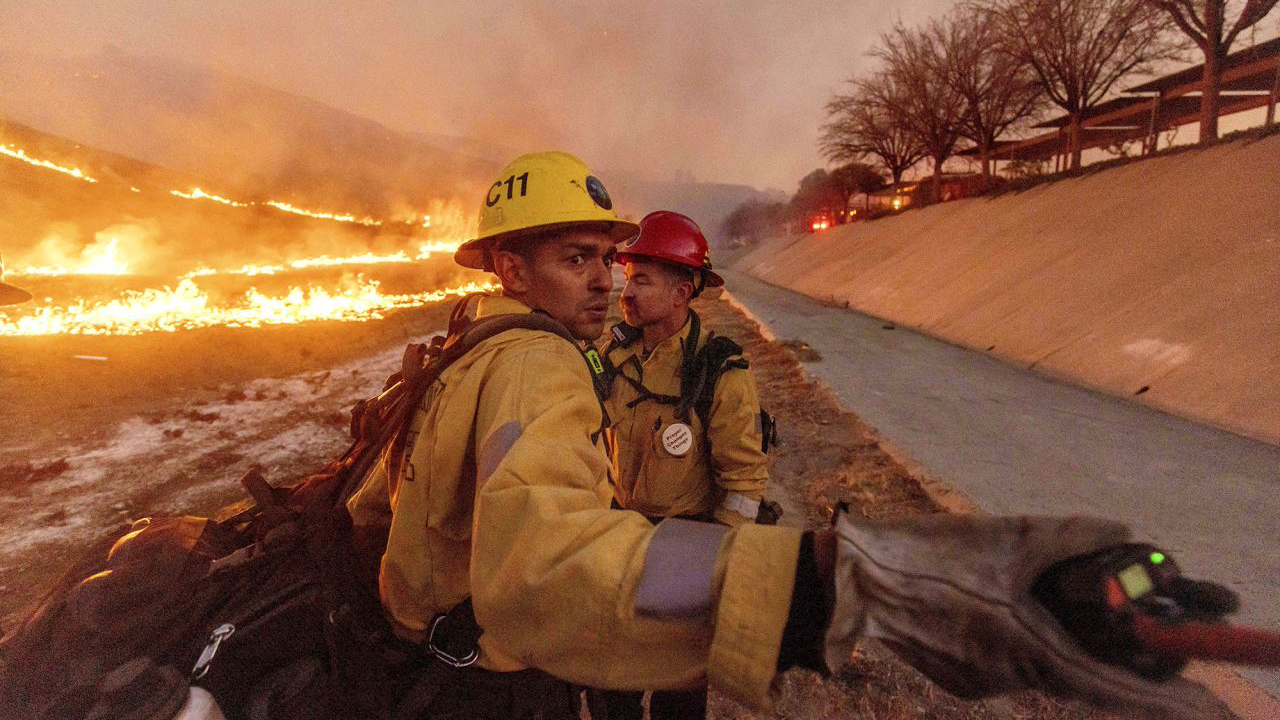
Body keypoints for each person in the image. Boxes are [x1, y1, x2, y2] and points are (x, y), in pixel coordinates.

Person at [345, 150, 1231, 720]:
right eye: (577, 260)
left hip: (475, 643)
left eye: (610, 263)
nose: (608, 285)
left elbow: (381, 509)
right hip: (499, 671)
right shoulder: (536, 364)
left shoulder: (465, 350)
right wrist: (831, 584)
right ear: (510, 265)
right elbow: (550, 560)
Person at [595, 210, 770, 719]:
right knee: (610, 693)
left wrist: (714, 570)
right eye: (628, 279)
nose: (626, 292)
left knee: (677, 700)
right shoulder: (612, 354)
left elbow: (744, 485)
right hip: (616, 547)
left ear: (682, 292)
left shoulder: (721, 372)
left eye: (642, 280)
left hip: (684, 554)